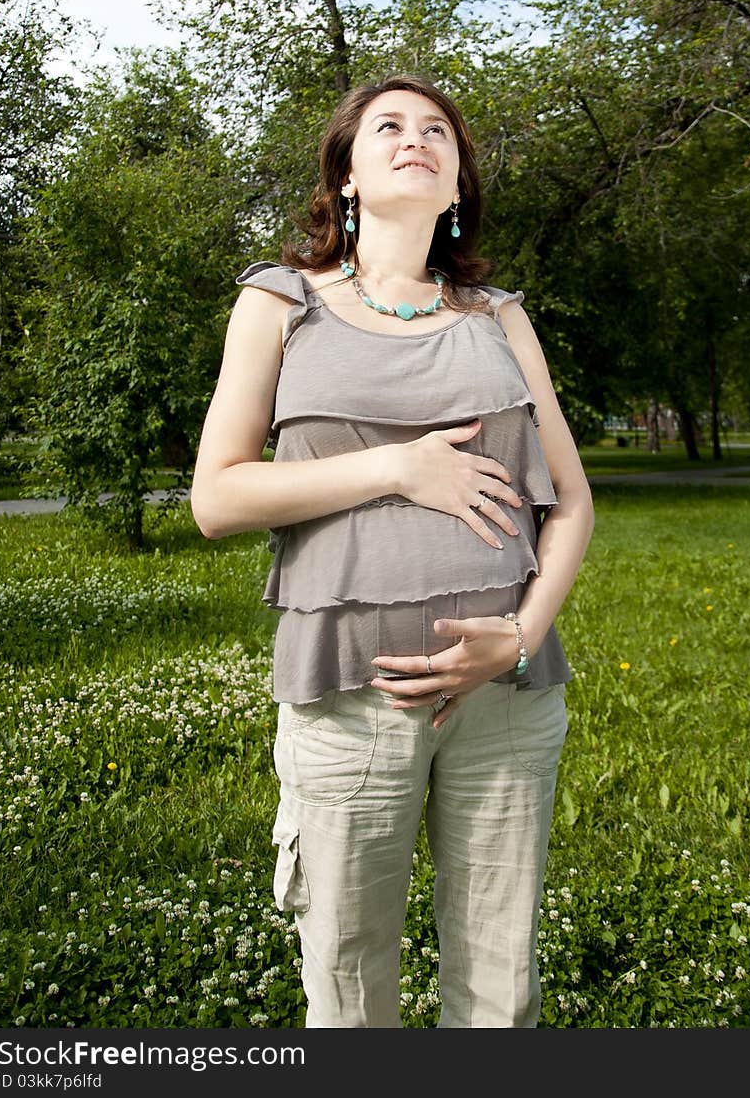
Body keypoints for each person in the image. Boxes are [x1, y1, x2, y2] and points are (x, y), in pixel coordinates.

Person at [190, 73, 595, 1028]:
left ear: (455, 189)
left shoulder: (498, 316)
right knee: (348, 972)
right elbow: (218, 495)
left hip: (504, 697)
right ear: (348, 178)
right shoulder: (282, 301)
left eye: (438, 132)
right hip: (348, 694)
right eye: (389, 127)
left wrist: (523, 639)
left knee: (499, 983)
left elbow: (572, 503)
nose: (417, 138)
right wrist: (399, 469)